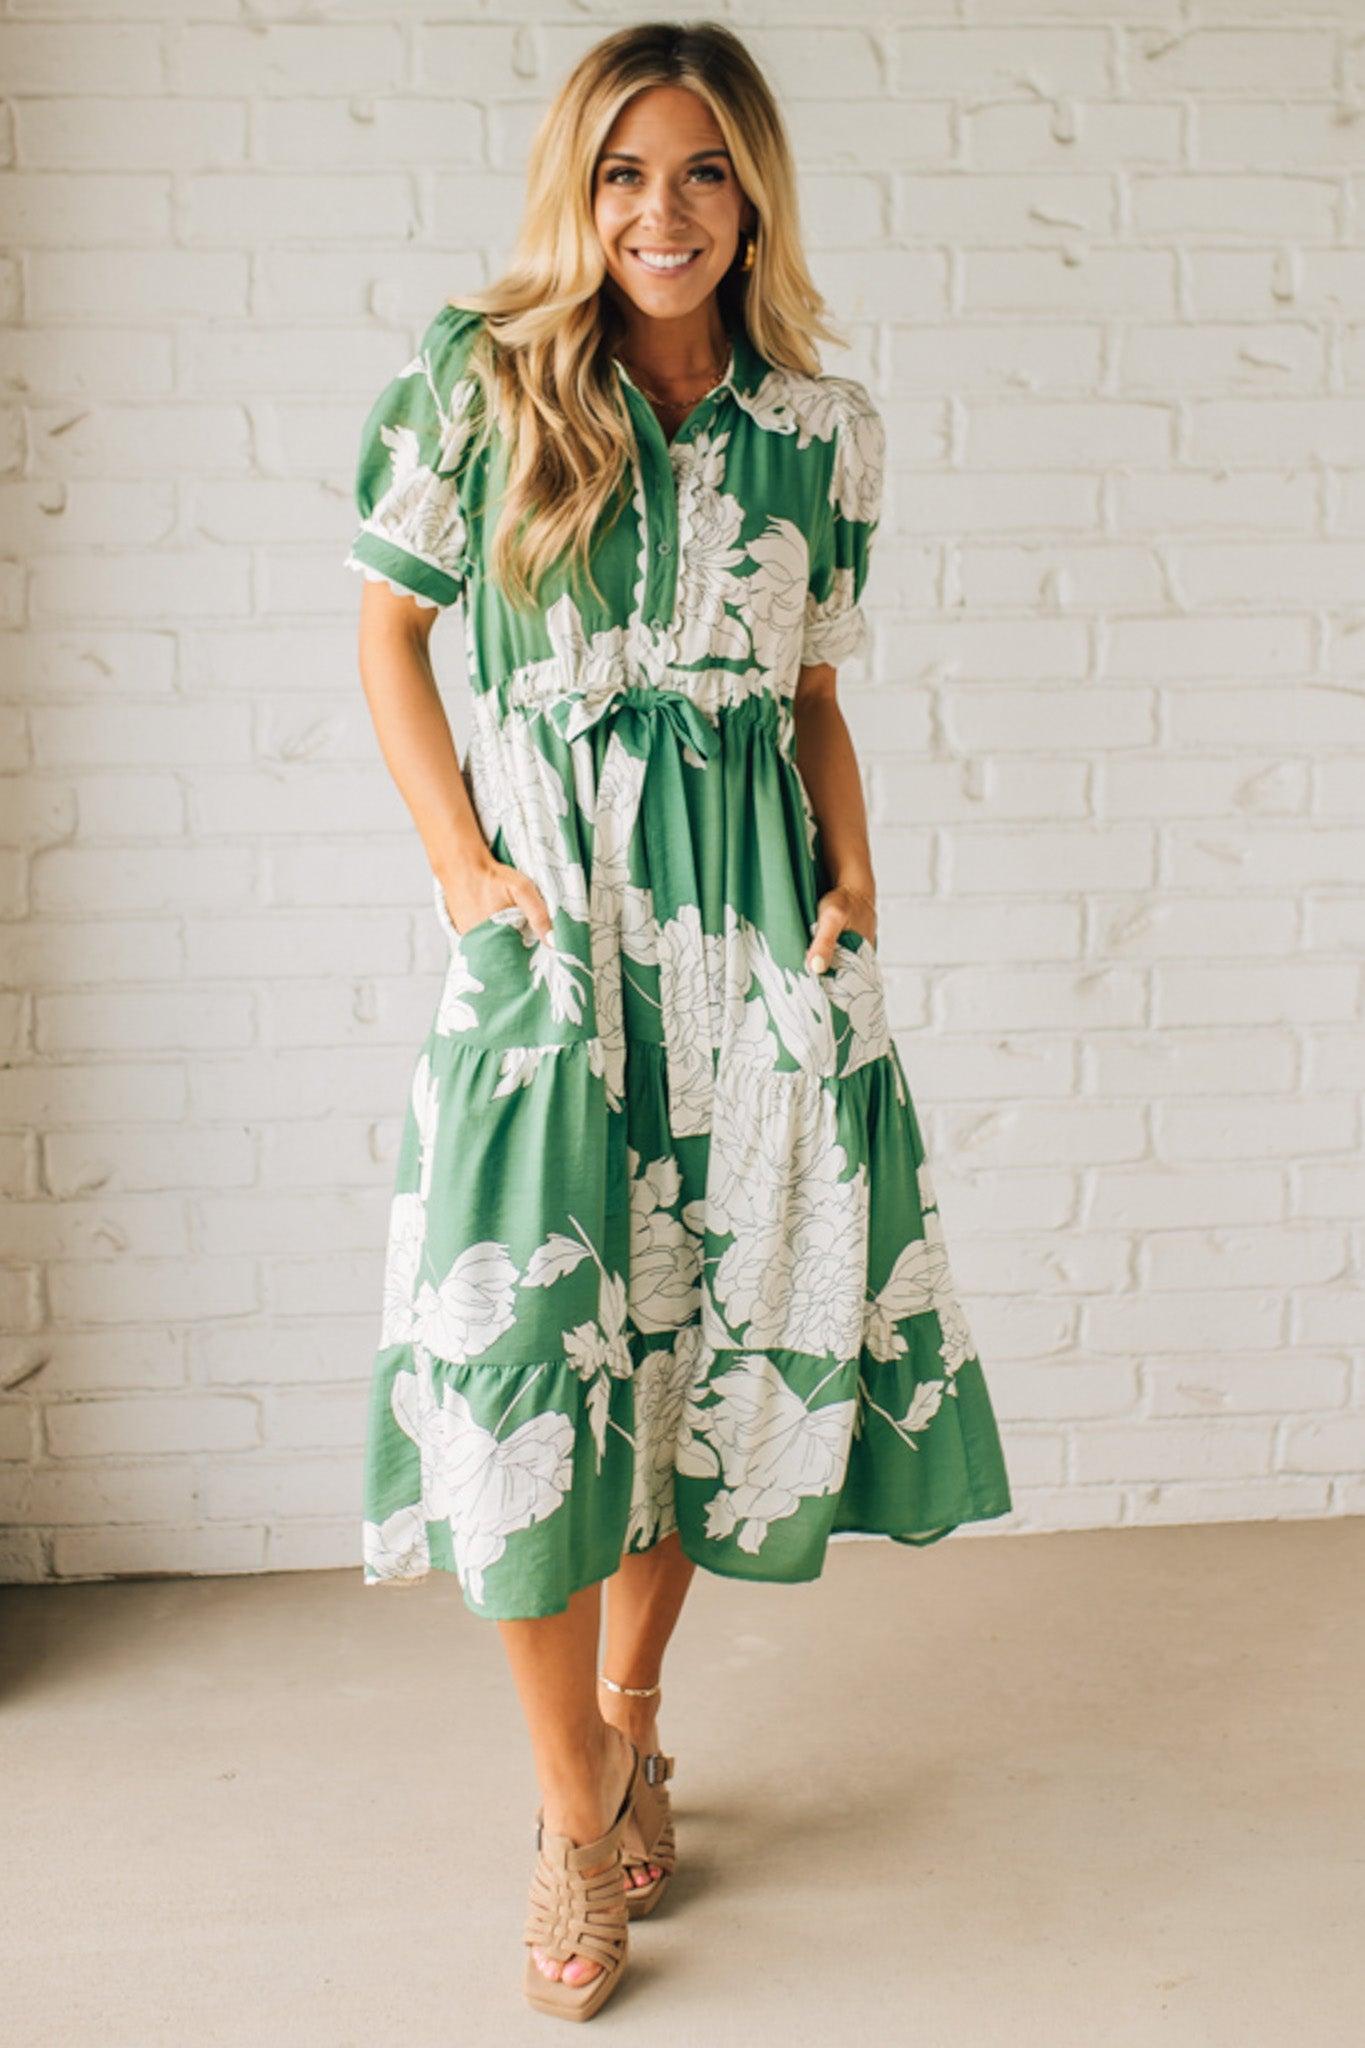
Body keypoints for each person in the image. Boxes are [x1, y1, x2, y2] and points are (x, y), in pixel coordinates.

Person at [345, 18, 1013, 2024]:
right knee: (530, 1358)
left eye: (702, 171)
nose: (662, 212)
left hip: (750, 944)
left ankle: (631, 1714)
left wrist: (854, 883)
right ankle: (571, 1808)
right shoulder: (482, 381)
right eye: (624, 172)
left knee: (701, 1354)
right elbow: (386, 630)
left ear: (754, 195)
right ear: (580, 187)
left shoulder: (821, 428)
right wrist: (463, 875)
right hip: (550, 939)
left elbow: (811, 693)